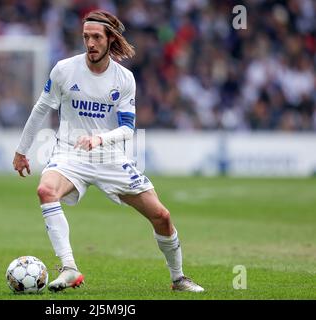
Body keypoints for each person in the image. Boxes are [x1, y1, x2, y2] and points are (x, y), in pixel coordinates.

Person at [13, 10, 204, 293]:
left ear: (110, 39)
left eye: (96, 37)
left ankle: (179, 279)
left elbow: (128, 128)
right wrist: (21, 151)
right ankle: (69, 268)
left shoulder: (124, 79)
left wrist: (100, 139)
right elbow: (41, 108)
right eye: (86, 37)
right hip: (70, 153)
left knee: (161, 216)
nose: (90, 43)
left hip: (109, 157)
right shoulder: (64, 70)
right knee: (46, 191)